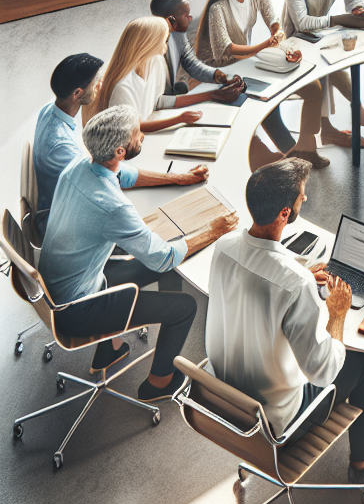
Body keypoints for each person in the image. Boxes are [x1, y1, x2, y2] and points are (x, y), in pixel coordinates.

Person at [38, 105, 237, 400]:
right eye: (137, 134)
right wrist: (214, 230)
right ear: (119, 150)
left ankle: (110, 348)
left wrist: (180, 178)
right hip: (78, 310)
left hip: (65, 286)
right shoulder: (113, 206)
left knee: (163, 261)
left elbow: (127, 175)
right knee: (184, 307)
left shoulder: (79, 166)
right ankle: (157, 385)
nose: (142, 135)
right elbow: (163, 257)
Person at [205, 159, 364, 481]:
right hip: (275, 422)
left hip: (225, 398)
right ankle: (361, 462)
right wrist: (337, 316)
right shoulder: (294, 283)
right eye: (302, 194)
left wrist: (300, 276)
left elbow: (254, 285)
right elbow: (323, 372)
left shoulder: (223, 247)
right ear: (284, 213)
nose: (306, 199)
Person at [34, 54, 209, 235]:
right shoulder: (63, 145)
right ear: (77, 93)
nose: (100, 85)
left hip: (68, 204)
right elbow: (113, 176)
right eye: (95, 82)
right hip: (65, 224)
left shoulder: (51, 111)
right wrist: (178, 179)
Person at [194, 0, 328, 170]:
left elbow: (274, 22)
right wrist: (265, 46)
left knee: (313, 89)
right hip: (220, 71)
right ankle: (296, 154)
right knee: (269, 103)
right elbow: (224, 51)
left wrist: (279, 37)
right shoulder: (217, 8)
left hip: (246, 63)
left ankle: (304, 147)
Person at [283, 0, 364, 148]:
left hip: (321, 34)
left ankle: (330, 129)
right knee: (325, 70)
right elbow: (302, 23)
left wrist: (360, 11)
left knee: (332, 61)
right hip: (296, 40)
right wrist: (338, 20)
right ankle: (348, 110)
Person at [88, 17, 208, 133]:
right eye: (165, 40)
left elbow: (158, 101)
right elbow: (135, 125)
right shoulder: (122, 86)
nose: (167, 45)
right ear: (149, 43)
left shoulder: (155, 63)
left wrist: (210, 95)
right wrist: (180, 119)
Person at [149, 0, 245, 103]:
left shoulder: (178, 35)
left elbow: (191, 63)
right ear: (171, 21)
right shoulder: (152, 51)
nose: (190, 18)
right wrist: (211, 95)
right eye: (186, 15)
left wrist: (217, 75)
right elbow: (156, 101)